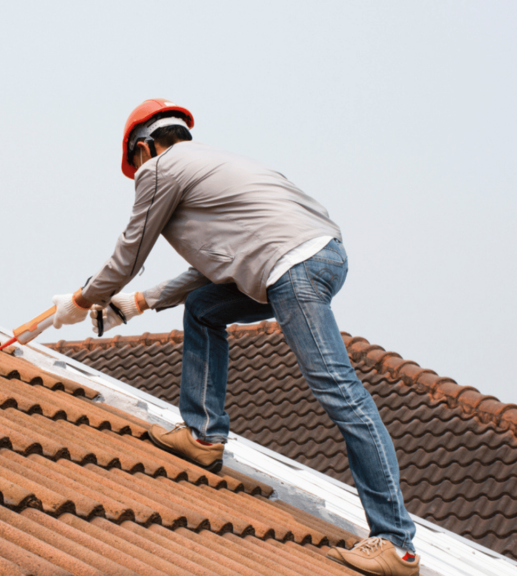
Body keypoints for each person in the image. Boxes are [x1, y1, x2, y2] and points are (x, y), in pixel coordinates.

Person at [48, 98, 420, 576]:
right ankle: (203, 435)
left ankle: (395, 542)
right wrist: (135, 304)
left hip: (291, 268)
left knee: (340, 392)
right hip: (319, 257)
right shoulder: (219, 165)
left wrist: (82, 300)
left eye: (137, 162)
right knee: (204, 310)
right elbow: (212, 270)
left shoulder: (160, 169)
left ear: (144, 147)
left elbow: (130, 251)